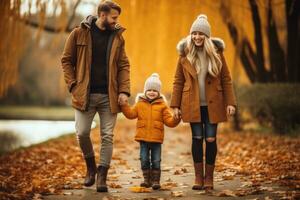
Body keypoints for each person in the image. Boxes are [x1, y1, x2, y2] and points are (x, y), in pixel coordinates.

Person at [61, 0, 130, 192]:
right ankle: (90, 167)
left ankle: (102, 176)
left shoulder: (118, 37)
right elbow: (66, 60)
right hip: (84, 95)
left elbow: (124, 65)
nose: (116, 21)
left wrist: (124, 91)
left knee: (107, 136)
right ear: (102, 15)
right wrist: (73, 84)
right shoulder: (78, 33)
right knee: (82, 133)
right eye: (114, 17)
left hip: (109, 96)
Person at [170, 14, 237, 190]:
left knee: (211, 138)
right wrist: (175, 105)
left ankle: (209, 178)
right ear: (191, 35)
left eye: (201, 34)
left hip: (213, 104)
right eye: (194, 33)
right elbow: (178, 81)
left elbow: (226, 79)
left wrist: (231, 103)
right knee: (197, 138)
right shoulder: (184, 54)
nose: (197, 37)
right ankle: (198, 178)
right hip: (193, 105)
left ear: (207, 36)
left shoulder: (217, 54)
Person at [121, 73, 180, 190]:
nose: (152, 92)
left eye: (155, 90)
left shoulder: (162, 106)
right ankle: (146, 180)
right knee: (144, 159)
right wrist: (124, 106)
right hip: (143, 138)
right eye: (149, 90)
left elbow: (169, 121)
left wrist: (176, 118)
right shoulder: (140, 104)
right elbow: (131, 114)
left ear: (158, 92)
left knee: (156, 160)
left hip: (156, 139)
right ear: (145, 91)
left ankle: (156, 181)